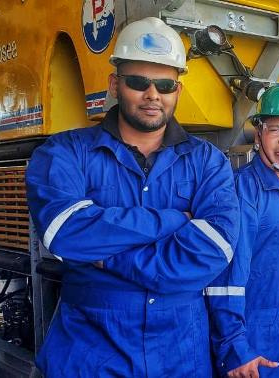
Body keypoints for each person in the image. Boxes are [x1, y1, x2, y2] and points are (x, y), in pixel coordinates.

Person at [26, 17, 240, 376]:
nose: (152, 94)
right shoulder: (64, 153)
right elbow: (65, 231)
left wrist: (109, 258)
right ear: (115, 84)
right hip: (91, 352)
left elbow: (214, 248)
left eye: (165, 84)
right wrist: (176, 219)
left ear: (178, 90)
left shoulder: (207, 162)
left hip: (179, 355)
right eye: (139, 82)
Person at [207, 85, 279, 378]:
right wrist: (235, 348)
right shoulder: (242, 192)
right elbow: (225, 282)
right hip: (251, 348)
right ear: (258, 136)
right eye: (275, 129)